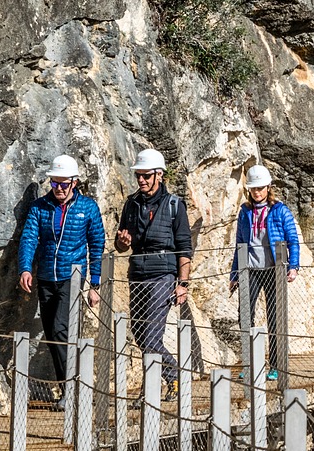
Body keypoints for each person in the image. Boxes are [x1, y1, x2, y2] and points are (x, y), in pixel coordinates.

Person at [17, 155, 104, 405]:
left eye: (64, 184)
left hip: (72, 278)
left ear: (74, 182)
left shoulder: (88, 208)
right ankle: (68, 389)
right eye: (54, 183)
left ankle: (73, 390)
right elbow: (29, 238)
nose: (58, 189)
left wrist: (95, 283)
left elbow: (97, 244)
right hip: (45, 276)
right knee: (53, 333)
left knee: (60, 329)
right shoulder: (39, 207)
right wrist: (25, 268)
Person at [115, 149, 192, 401]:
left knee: (151, 335)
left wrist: (183, 283)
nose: (141, 180)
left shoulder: (174, 205)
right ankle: (169, 379)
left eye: (146, 175)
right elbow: (121, 245)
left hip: (163, 276)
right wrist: (123, 243)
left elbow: (184, 246)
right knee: (139, 331)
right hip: (137, 273)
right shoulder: (131, 203)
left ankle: (165, 384)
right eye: (139, 175)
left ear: (159, 175)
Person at [230, 164, 301, 379]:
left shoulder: (280, 210)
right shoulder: (245, 212)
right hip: (250, 269)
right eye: (253, 189)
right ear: (249, 190)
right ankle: (250, 363)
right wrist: (234, 274)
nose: (257, 192)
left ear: (268, 187)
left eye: (261, 188)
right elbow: (239, 243)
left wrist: (293, 266)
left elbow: (293, 240)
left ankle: (277, 366)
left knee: (275, 317)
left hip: (274, 269)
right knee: (245, 315)